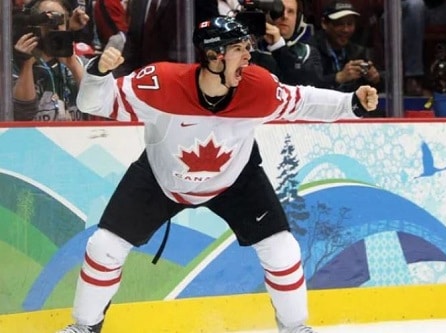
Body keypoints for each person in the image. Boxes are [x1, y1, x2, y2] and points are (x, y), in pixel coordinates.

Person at [56, 16, 378, 333]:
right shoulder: (160, 83)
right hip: (161, 177)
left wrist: (352, 104)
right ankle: (85, 327)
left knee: (283, 250)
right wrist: (98, 72)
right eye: (239, 49)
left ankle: (295, 328)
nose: (249, 56)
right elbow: (94, 103)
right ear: (213, 56)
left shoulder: (259, 86)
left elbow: (301, 101)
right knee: (104, 246)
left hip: (235, 179)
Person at [12, 0, 90, 121]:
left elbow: (94, 104)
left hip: (77, 137)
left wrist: (73, 65)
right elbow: (23, 113)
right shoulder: (14, 65)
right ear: (34, 26)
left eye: (60, 21)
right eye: (47, 21)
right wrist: (26, 64)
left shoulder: (80, 63)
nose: (55, 26)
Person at [308, 0, 382, 92]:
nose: (346, 29)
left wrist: (374, 79)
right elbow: (305, 86)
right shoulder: (309, 50)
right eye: (339, 24)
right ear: (324, 24)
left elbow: (375, 91)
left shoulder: (358, 52)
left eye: (350, 24)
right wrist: (338, 78)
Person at [250, 0, 325, 86]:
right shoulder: (250, 48)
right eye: (278, 10)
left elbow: (310, 87)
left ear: (298, 19)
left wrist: (278, 47)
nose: (285, 16)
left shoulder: (306, 52)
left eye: (291, 12)